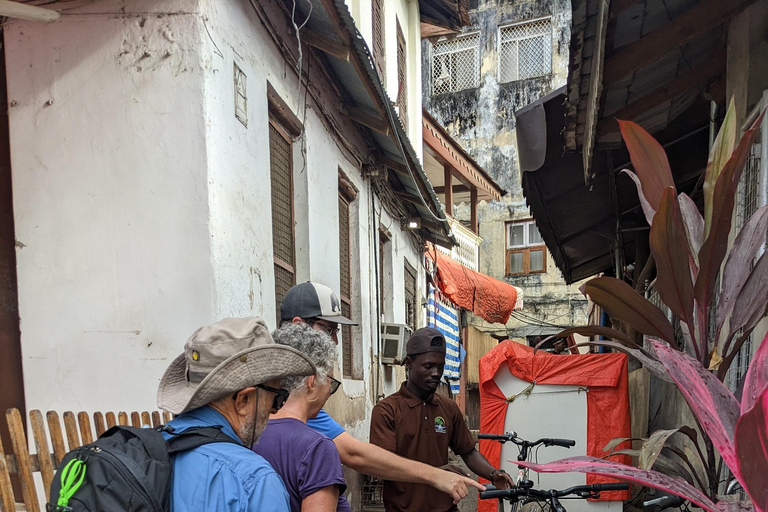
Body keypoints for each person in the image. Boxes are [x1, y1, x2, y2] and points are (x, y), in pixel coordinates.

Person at [280, 281, 484, 504]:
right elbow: (355, 455)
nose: (336, 341)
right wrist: (434, 475)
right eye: (329, 330)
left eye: (336, 332)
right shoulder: (275, 400)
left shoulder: (306, 407)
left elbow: (356, 452)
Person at [157, 317, 316, 512]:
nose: (274, 410)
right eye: (277, 398)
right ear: (244, 401)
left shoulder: (148, 449)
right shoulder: (254, 482)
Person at [370, 327, 515, 512]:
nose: (436, 373)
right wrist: (434, 473)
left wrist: (493, 473)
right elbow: (384, 465)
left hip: (446, 508)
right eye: (429, 366)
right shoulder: (387, 411)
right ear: (409, 363)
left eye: (441, 366)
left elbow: (468, 452)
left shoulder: (448, 408)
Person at [253, 324, 351, 512]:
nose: (329, 392)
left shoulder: (246, 432)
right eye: (331, 383)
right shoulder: (317, 448)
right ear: (312, 381)